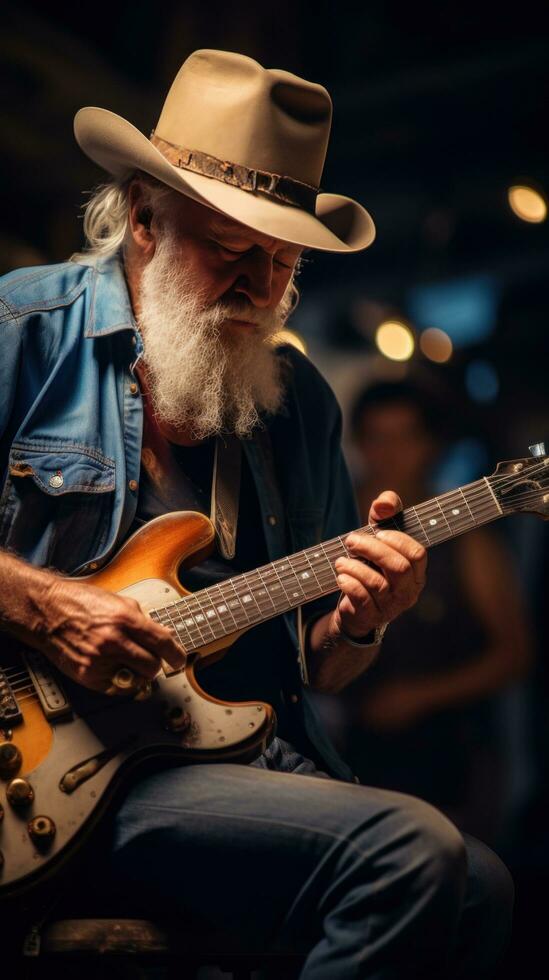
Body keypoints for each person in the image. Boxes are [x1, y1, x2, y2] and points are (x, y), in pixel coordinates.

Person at [0, 49, 512, 978]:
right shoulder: (20, 334)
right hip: (44, 775)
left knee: (482, 887)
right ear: (145, 219)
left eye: (280, 262)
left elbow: (322, 667)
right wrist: (45, 605)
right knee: (407, 853)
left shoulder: (300, 405)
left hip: (225, 761)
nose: (258, 287)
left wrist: (364, 622)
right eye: (231, 250)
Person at [344, 380, 532, 842]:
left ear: (430, 445)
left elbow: (516, 653)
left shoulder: (469, 540)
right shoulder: (330, 529)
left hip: (446, 758)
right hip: (345, 757)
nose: (391, 452)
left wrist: (419, 697)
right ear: (359, 444)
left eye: (406, 437)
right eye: (377, 437)